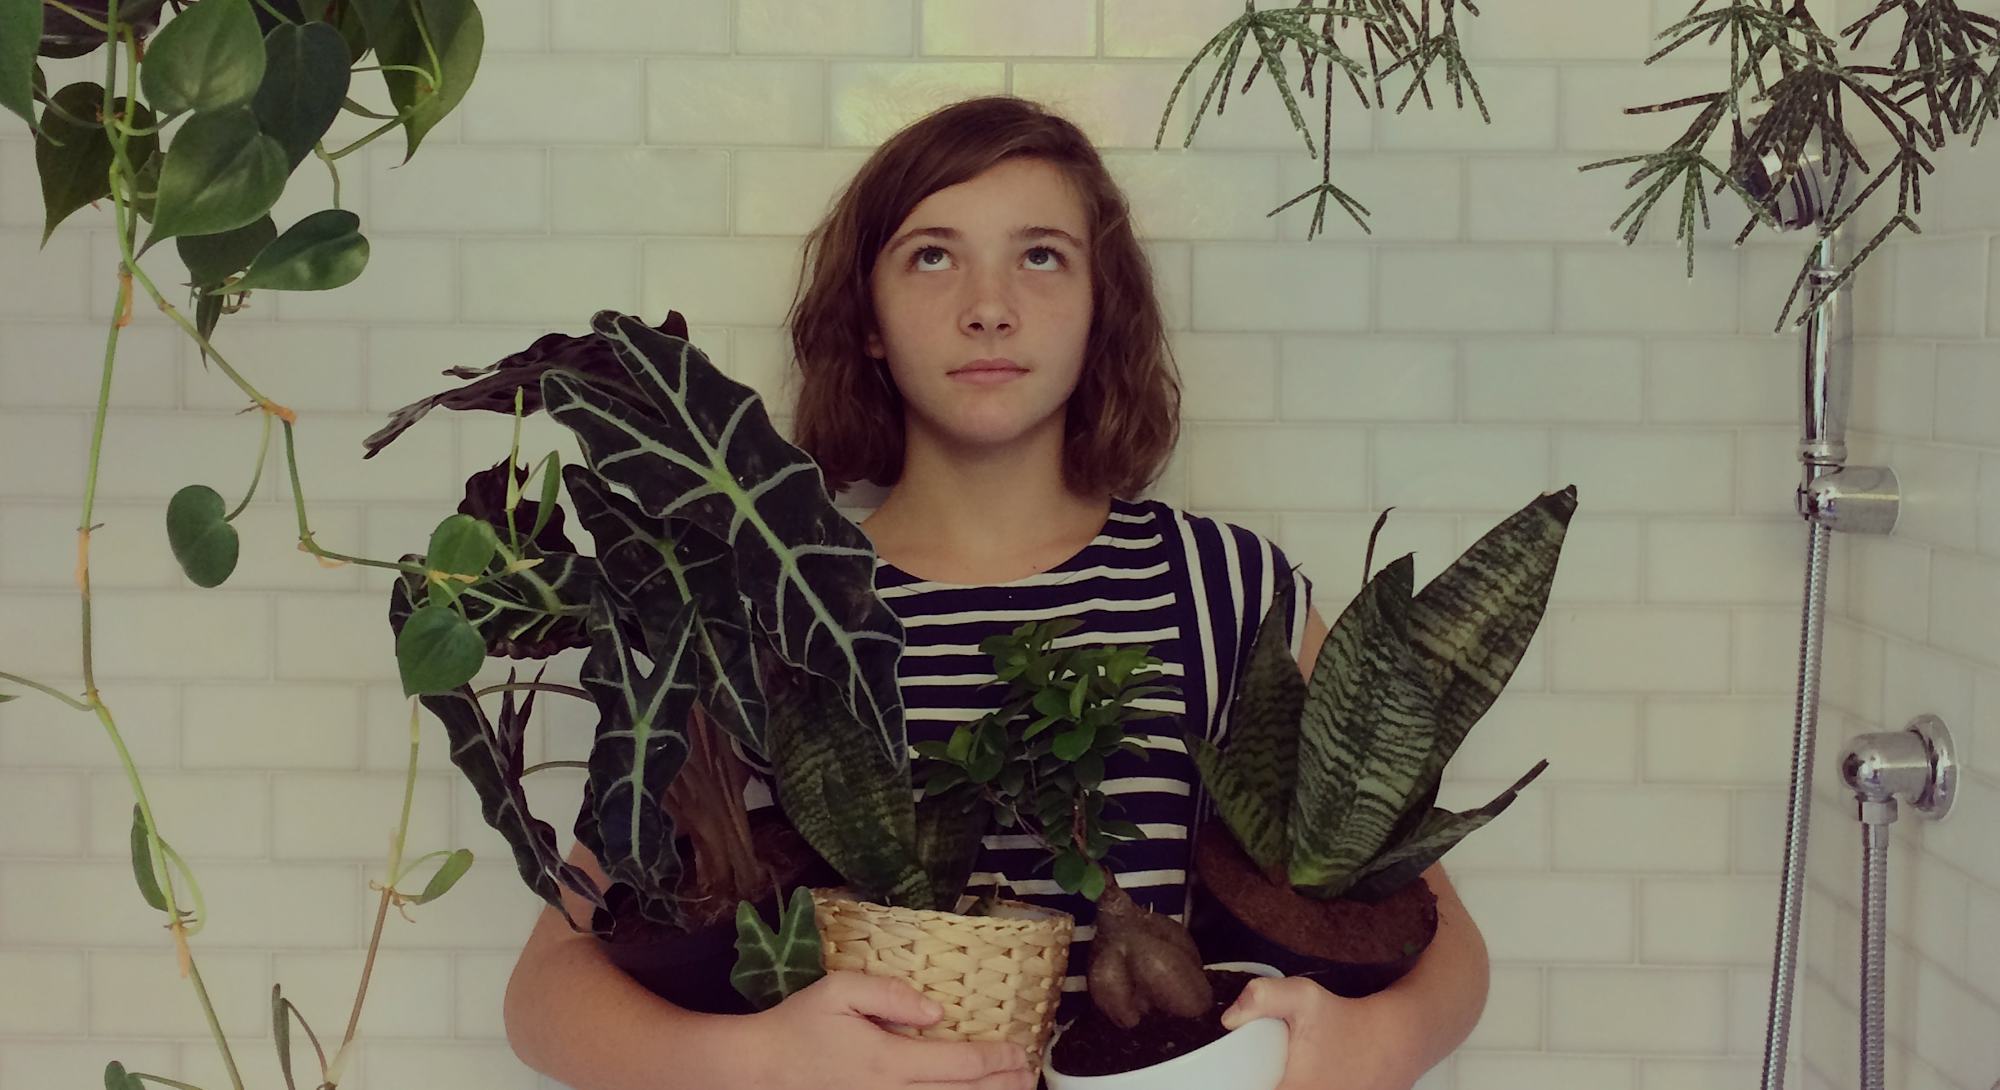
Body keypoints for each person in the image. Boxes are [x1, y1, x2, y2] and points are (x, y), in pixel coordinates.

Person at [503, 95, 1489, 1090]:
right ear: (871, 321)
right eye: (932, 255)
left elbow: (1443, 940)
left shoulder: (1224, 588)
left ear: (1101, 306)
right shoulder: (765, 603)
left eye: (1041, 255)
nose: (988, 305)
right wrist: (756, 1061)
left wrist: (1376, 1045)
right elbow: (546, 987)